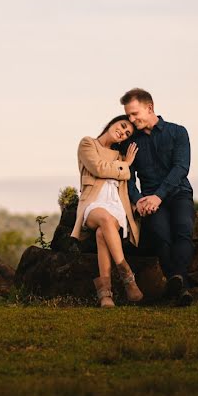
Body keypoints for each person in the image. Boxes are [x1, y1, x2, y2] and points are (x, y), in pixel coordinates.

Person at [121, 88, 194, 307]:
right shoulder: (130, 142)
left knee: (183, 230)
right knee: (161, 236)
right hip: (149, 200)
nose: (131, 120)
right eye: (128, 116)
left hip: (179, 192)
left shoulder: (178, 132)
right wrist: (138, 199)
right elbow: (128, 176)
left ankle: (179, 286)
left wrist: (158, 196)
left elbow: (181, 167)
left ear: (149, 107)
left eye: (134, 114)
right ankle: (182, 288)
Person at [70, 114, 143, 307]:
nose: (123, 132)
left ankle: (105, 295)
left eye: (127, 133)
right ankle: (127, 275)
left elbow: (127, 177)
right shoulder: (88, 144)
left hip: (116, 204)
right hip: (93, 203)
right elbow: (99, 169)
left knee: (103, 232)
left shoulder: (120, 156)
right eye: (122, 126)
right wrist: (124, 165)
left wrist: (124, 166)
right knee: (103, 218)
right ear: (112, 123)